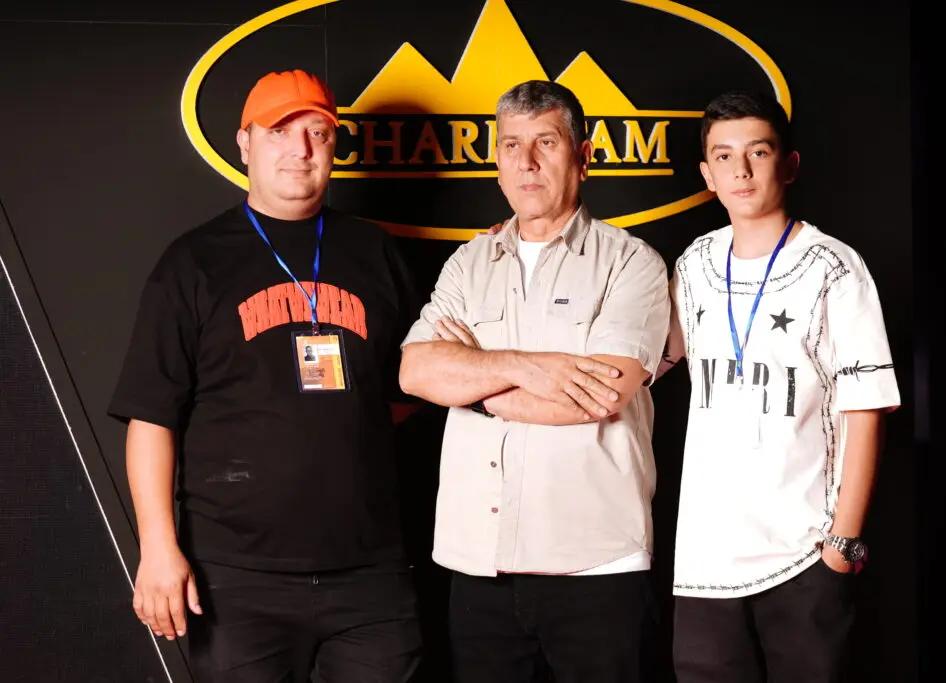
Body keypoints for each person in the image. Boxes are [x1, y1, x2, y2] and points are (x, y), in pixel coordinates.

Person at [108, 69, 421, 682]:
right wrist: (158, 548)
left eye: (317, 133)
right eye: (279, 131)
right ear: (244, 143)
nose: (300, 149)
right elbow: (151, 417)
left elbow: (411, 388)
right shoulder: (194, 262)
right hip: (236, 580)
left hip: (371, 575)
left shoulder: (376, 252)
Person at [399, 80, 669, 683]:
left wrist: (472, 382)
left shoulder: (631, 263)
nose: (526, 161)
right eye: (511, 144)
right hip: (479, 564)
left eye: (546, 142)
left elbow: (597, 395)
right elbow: (416, 371)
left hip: (596, 564)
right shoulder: (468, 264)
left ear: (583, 155)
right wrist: (526, 366)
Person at [663, 91, 901, 682]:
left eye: (758, 152)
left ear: (788, 164)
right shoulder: (693, 265)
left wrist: (843, 544)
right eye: (724, 157)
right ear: (707, 175)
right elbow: (649, 359)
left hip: (803, 552)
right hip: (705, 561)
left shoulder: (832, 267)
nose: (741, 171)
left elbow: (866, 410)